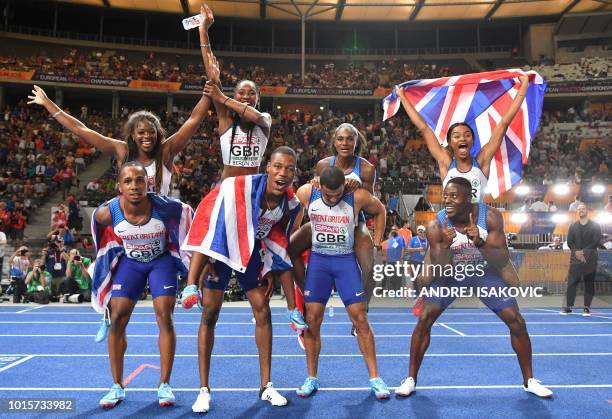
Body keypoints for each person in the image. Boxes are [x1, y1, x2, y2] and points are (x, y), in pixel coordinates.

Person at [182, 7, 304, 323]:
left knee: (266, 246)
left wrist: (223, 95)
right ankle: (190, 286)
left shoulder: (264, 121)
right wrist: (203, 32)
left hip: (252, 196)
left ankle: (279, 300)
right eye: (242, 93)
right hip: (227, 188)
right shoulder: (226, 121)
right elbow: (213, 77)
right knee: (207, 231)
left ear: (258, 100)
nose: (247, 96)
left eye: (251, 93)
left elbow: (240, 106)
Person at [395, 178, 552, 398]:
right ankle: (410, 379)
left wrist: (480, 242)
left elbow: (502, 258)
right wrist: (446, 247)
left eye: (453, 196)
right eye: (445, 195)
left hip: (483, 271)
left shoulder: (490, 217)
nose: (447, 200)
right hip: (452, 272)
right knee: (425, 319)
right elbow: (439, 267)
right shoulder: (436, 224)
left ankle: (529, 381)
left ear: (468, 198)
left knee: (516, 320)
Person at [26, 14, 212, 197]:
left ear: (158, 133)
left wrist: (211, 85)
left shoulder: (166, 150)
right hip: (128, 222)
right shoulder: (122, 150)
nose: (147, 136)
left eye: (151, 132)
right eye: (141, 132)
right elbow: (79, 129)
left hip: (161, 223)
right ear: (132, 134)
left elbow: (194, 119)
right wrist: (47, 103)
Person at [183, 147, 303, 413]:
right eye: (278, 166)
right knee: (210, 315)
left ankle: (266, 386)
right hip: (222, 248)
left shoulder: (290, 204)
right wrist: (201, 266)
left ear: (295, 173)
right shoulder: (241, 187)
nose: (283, 173)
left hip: (250, 252)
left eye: (289, 168)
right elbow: (208, 217)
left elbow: (281, 246)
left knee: (263, 309)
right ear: (267, 167)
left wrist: (292, 306)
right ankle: (203, 390)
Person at [396, 75, 530, 289]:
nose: (462, 138)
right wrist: (403, 97)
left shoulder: (482, 161)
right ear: (450, 142)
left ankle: (511, 302)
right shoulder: (444, 162)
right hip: (449, 217)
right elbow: (423, 128)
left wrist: (522, 87)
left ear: (472, 141)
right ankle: (422, 297)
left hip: (480, 216)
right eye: (457, 136)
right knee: (427, 276)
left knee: (509, 275)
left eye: (467, 135)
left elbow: (503, 123)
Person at [92, 162, 192, 408]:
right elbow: (97, 231)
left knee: (164, 316)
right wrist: (105, 263)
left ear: (148, 183)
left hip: (161, 262)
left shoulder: (164, 206)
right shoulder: (108, 212)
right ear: (120, 187)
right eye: (128, 181)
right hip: (131, 263)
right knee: (118, 318)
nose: (134, 186)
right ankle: (116, 386)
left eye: (139, 180)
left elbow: (190, 216)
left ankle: (164, 385)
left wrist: (192, 262)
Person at [292, 166, 390, 399]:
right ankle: (311, 378)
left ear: (344, 186)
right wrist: (294, 232)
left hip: (345, 261)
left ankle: (376, 378)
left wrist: (377, 241)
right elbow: (290, 218)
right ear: (320, 187)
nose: (334, 198)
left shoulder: (357, 195)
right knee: (312, 319)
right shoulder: (307, 192)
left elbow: (381, 210)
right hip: (319, 262)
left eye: (337, 194)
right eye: (329, 195)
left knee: (361, 318)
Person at [289, 122, 378, 337]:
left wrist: (376, 239)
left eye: (349, 139)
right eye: (340, 139)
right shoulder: (323, 164)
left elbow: (369, 200)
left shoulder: (366, 168)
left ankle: (362, 311)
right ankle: (304, 294)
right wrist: (315, 182)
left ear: (357, 142)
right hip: (325, 221)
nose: (345, 143)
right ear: (334, 141)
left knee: (369, 266)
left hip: (354, 223)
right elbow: (317, 189)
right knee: (288, 248)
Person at [561, 203, 602, 316]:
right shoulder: (573, 226)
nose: (581, 211)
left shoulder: (595, 225)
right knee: (571, 283)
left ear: (587, 210)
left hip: (590, 259)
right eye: (579, 209)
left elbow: (596, 241)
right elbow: (570, 242)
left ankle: (586, 307)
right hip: (575, 259)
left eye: (583, 209)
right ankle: (569, 306)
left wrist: (583, 252)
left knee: (589, 283)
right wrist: (577, 252)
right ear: (577, 212)